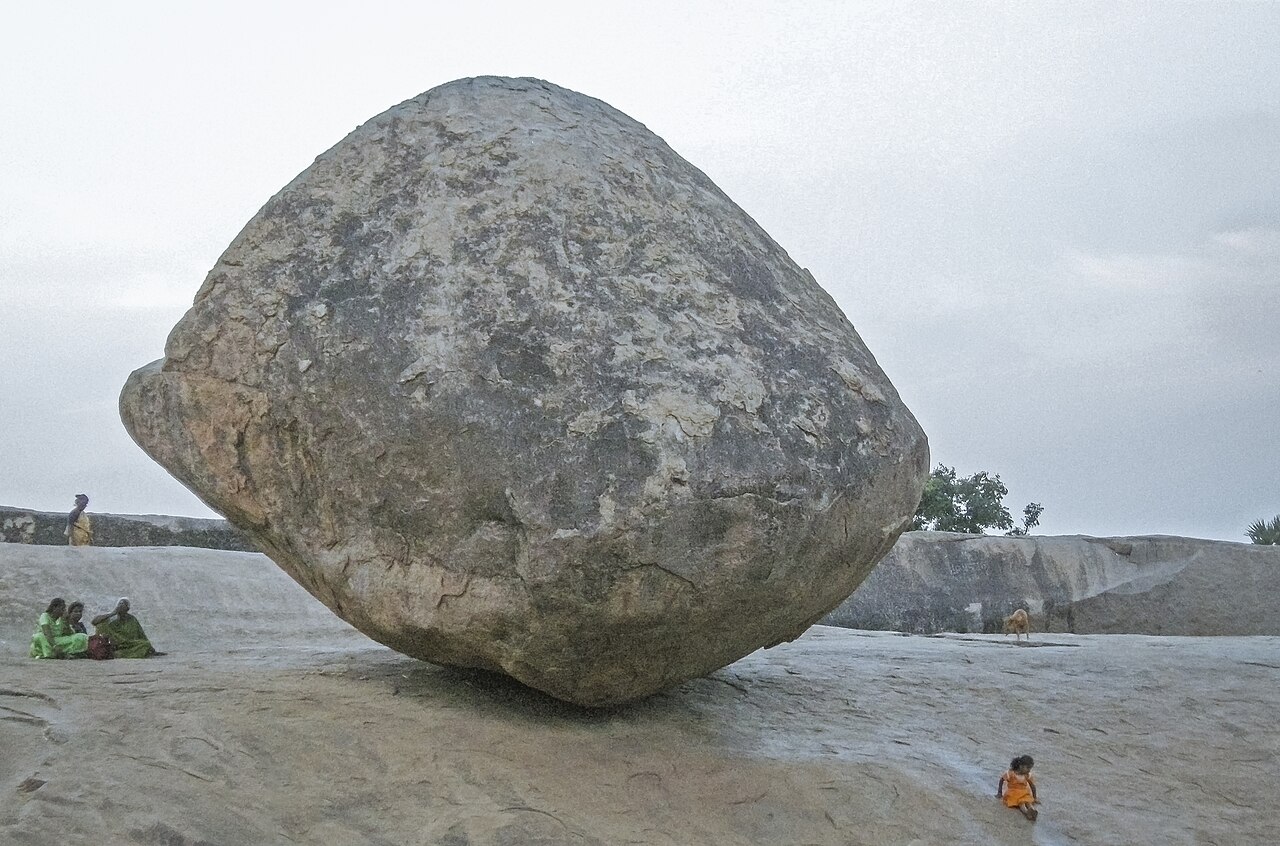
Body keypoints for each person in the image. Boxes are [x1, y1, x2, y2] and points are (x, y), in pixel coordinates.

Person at [91, 598, 163, 658]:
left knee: (144, 644)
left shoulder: (132, 619)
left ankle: (119, 654)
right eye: (119, 604)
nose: (121, 606)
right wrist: (113, 613)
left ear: (127, 608)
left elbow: (141, 634)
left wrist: (152, 649)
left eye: (123, 604)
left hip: (129, 644)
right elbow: (94, 622)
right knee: (101, 625)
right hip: (116, 643)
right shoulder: (111, 618)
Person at [997, 755, 1040, 821]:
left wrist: (1035, 797)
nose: (1029, 770)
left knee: (1028, 802)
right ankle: (1026, 812)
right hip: (1013, 793)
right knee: (1021, 803)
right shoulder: (1010, 773)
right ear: (1021, 766)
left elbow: (1032, 786)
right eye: (1028, 768)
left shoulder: (1027, 775)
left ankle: (1033, 810)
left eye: (1030, 768)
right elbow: (1002, 780)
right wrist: (999, 792)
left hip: (1024, 792)